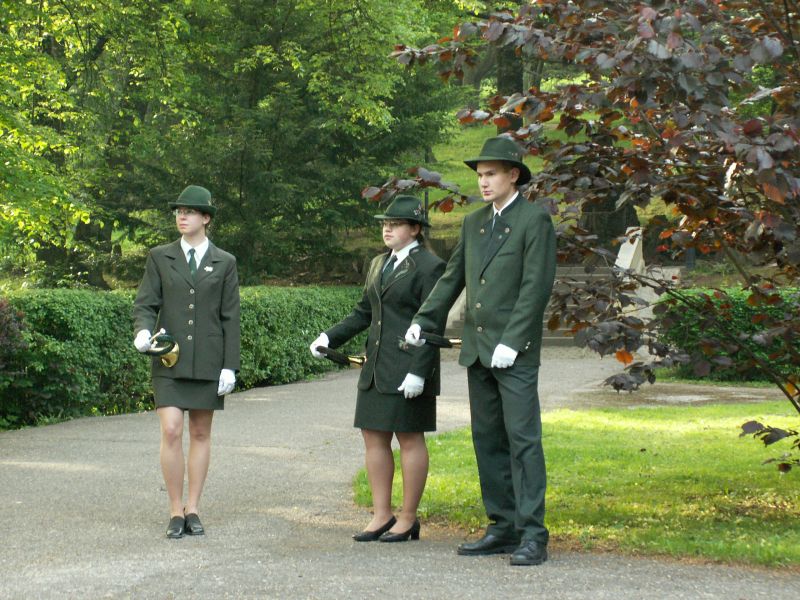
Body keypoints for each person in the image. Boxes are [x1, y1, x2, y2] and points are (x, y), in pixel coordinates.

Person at [404, 136, 556, 566]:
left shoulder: (534, 220)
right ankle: (503, 527)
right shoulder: (474, 224)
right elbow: (452, 279)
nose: (483, 182)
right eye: (480, 175)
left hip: (514, 352)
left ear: (513, 175)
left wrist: (514, 340)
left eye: (491, 174)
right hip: (478, 350)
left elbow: (536, 287)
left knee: (523, 441)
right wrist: (423, 319)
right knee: (487, 440)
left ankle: (533, 534)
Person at [309, 195, 446, 543]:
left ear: (415, 229)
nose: (387, 229)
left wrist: (419, 371)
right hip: (376, 366)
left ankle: (408, 517)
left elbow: (433, 322)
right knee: (373, 436)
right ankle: (382, 514)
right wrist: (329, 337)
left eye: (395, 224)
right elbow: (364, 313)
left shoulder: (430, 266)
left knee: (410, 438)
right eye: (385, 223)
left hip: (409, 367)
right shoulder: (377, 263)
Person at [133, 185, 241, 539]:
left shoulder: (225, 261)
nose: (182, 216)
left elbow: (230, 317)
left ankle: (193, 508)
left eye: (190, 211)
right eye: (179, 211)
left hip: (209, 359)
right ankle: (174, 510)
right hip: (169, 358)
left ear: (206, 218)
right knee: (171, 429)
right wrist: (142, 330)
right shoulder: (159, 257)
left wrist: (230, 365)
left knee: (200, 432)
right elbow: (146, 303)